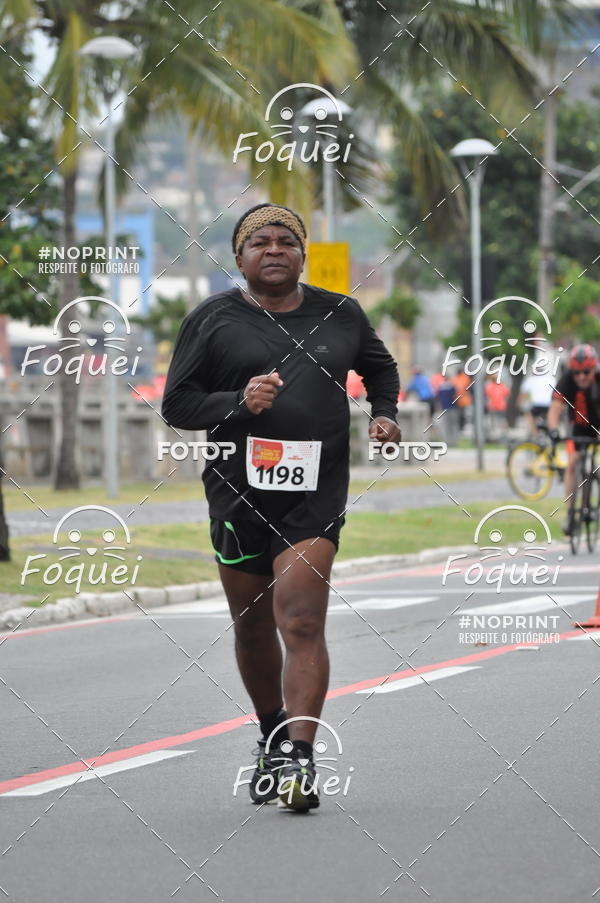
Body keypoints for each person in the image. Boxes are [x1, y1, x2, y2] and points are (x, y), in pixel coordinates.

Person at [161, 203, 401, 810]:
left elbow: (380, 368)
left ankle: (300, 758)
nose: (274, 249)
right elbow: (178, 405)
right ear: (239, 258)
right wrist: (238, 402)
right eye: (260, 242)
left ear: (302, 255)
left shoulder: (340, 313)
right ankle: (270, 732)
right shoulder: (212, 320)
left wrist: (385, 413)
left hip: (313, 493)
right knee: (252, 622)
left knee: (300, 620)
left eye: (286, 241)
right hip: (236, 493)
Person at [546, 344, 600, 534]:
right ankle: (571, 515)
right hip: (577, 428)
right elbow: (554, 409)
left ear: (594, 368)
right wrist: (553, 430)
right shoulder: (566, 380)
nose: (582, 377)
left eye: (586, 372)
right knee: (572, 464)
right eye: (577, 373)